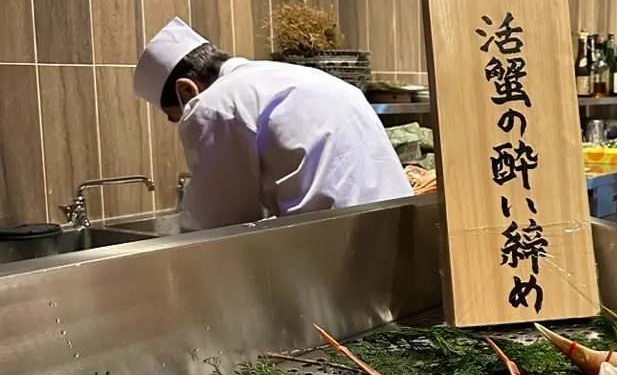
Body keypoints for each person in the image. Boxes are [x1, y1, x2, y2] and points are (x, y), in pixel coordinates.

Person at [134, 18, 413, 232]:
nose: (181, 120)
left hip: (335, 251)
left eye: (175, 115)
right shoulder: (289, 77)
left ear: (186, 91)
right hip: (400, 230)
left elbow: (217, 224)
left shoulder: (214, 104)